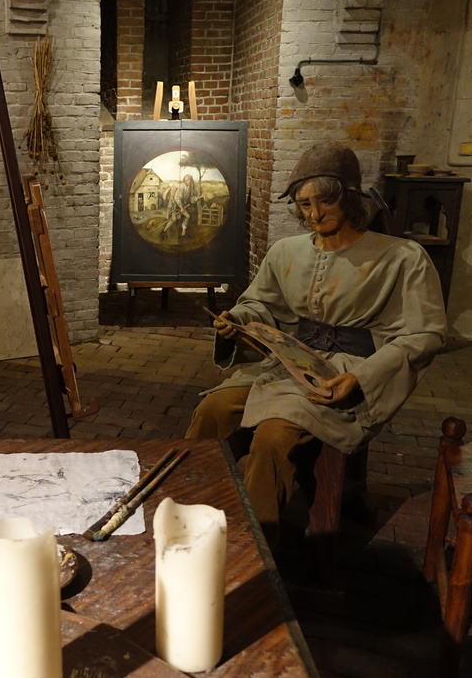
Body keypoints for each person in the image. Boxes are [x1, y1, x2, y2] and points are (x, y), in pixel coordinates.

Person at [185, 140, 447, 548]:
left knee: (272, 437)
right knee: (212, 410)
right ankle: (187, 511)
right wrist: (238, 321)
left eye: (325, 201)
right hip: (288, 364)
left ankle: (254, 550)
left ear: (349, 198)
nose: (315, 214)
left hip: (345, 375)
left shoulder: (402, 257)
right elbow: (262, 304)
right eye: (304, 204)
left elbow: (425, 333)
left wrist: (361, 378)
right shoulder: (285, 251)